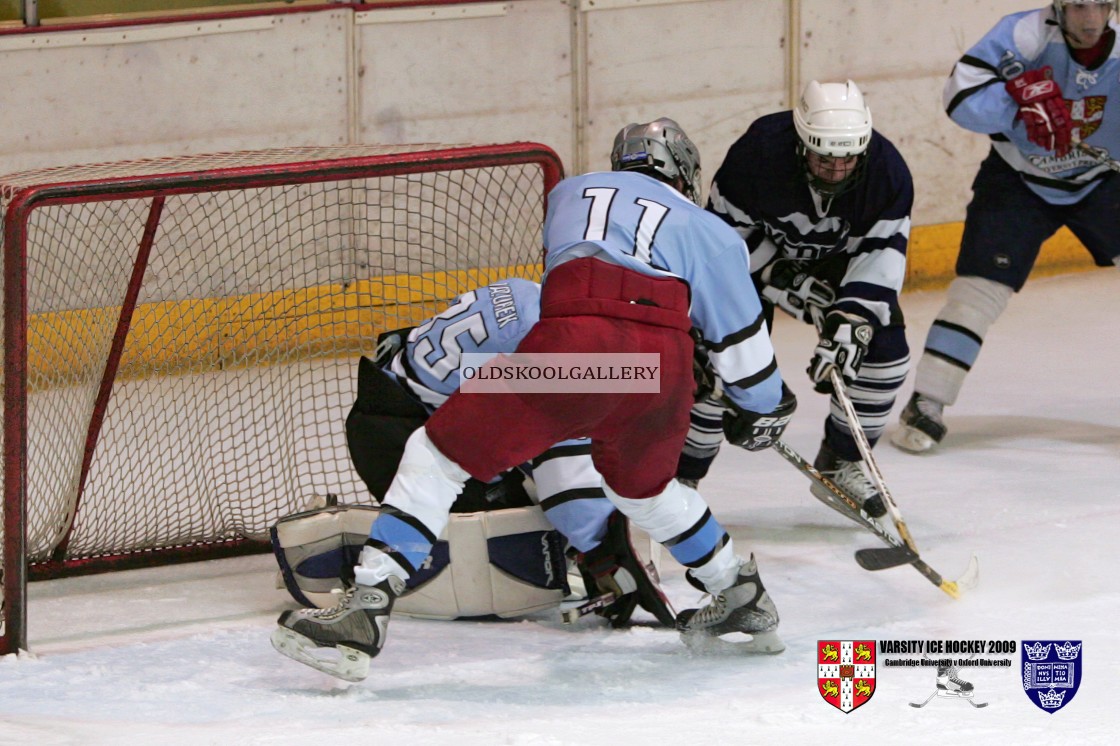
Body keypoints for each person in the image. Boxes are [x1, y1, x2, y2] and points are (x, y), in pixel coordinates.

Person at [270, 117, 797, 681]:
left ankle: (366, 609)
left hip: (578, 352)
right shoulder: (712, 231)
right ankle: (737, 589)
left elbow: (581, 296)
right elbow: (743, 348)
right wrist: (764, 405)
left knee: (436, 452)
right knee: (643, 490)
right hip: (661, 373)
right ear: (686, 174)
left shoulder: (568, 193)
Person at [275, 277, 676, 629]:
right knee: (531, 549)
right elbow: (568, 491)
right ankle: (344, 554)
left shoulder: (531, 293)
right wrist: (605, 555)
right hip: (400, 438)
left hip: (388, 411)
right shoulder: (557, 351)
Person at [893, 1, 1120, 452]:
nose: (1091, 19)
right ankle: (928, 401)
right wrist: (1017, 109)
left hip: (1101, 180)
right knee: (977, 291)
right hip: (1016, 180)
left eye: (1103, 4)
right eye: (1078, 5)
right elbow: (959, 96)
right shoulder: (1023, 35)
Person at [682, 80, 913, 519]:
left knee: (883, 356)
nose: (837, 168)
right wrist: (777, 277)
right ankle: (683, 475)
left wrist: (853, 318)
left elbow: (880, 254)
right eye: (824, 157)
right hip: (752, 265)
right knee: (717, 360)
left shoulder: (887, 171)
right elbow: (723, 243)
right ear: (801, 143)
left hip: (839, 265)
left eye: (848, 158)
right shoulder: (757, 156)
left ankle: (841, 462)